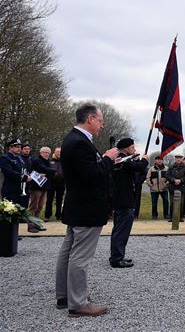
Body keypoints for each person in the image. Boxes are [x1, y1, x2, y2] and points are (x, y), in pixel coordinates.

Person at [55, 103, 119, 317]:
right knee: (80, 257)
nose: (102, 125)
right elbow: (92, 176)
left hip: (78, 206)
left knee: (68, 252)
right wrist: (108, 159)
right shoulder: (80, 143)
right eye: (100, 121)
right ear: (90, 119)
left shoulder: (73, 140)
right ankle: (78, 303)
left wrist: (108, 161)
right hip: (86, 208)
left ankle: (65, 295)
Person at [109, 138, 148, 268]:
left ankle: (117, 255)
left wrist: (135, 159)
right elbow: (140, 168)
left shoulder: (120, 159)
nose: (134, 149)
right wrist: (145, 160)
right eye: (132, 147)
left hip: (120, 198)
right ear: (126, 148)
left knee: (118, 229)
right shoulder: (122, 159)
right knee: (122, 230)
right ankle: (117, 258)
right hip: (124, 199)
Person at [27, 147, 56, 232]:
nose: (46, 154)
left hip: (44, 187)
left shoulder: (48, 161)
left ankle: (37, 224)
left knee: (39, 207)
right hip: (36, 187)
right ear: (40, 152)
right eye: (44, 152)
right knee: (33, 206)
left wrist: (48, 173)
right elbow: (44, 168)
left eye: (48, 152)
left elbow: (47, 172)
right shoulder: (37, 160)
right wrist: (53, 171)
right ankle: (30, 225)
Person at [0, 138, 31, 208]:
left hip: (21, 189)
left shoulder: (19, 158)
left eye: (20, 147)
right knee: (10, 212)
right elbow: (8, 171)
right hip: (10, 189)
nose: (19, 149)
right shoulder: (5, 158)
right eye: (17, 147)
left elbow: (24, 169)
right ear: (10, 147)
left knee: (21, 212)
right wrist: (23, 177)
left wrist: (28, 175)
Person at [166, 154, 185, 221]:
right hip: (172, 187)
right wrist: (173, 180)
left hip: (182, 187)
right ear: (175, 159)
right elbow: (167, 175)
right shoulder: (171, 167)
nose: (178, 159)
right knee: (172, 203)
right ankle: (171, 217)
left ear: (181, 159)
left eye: (179, 158)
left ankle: (180, 217)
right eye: (177, 158)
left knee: (181, 203)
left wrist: (181, 180)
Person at [45, 147, 65, 222]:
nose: (59, 153)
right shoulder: (49, 161)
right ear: (54, 152)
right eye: (57, 152)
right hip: (51, 182)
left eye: (60, 152)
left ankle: (58, 216)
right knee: (49, 200)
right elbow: (46, 170)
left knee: (59, 200)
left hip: (61, 183)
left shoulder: (64, 161)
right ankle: (47, 216)